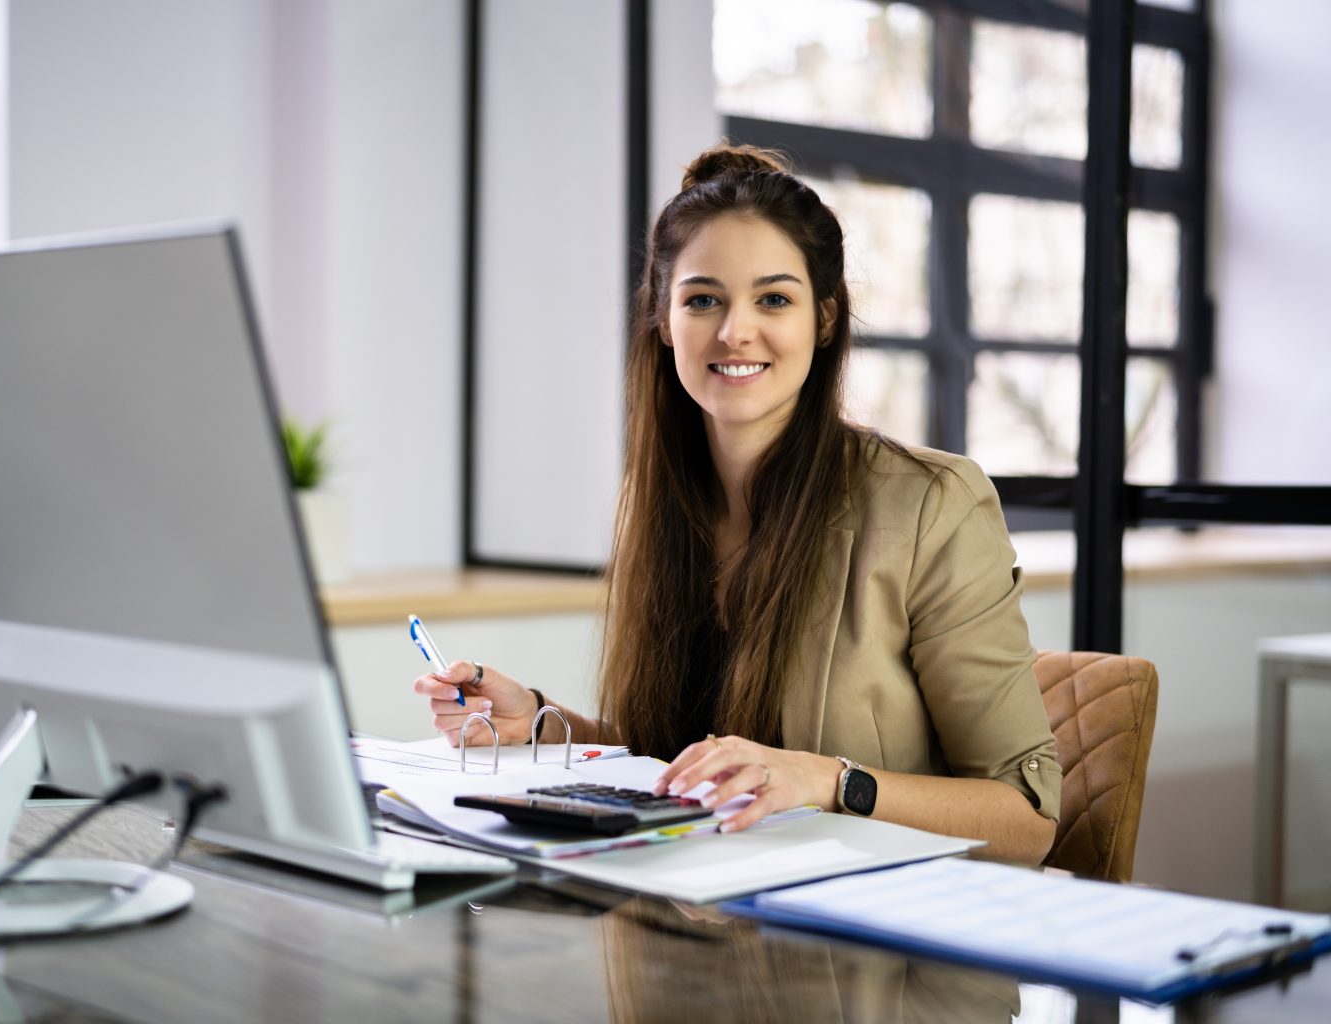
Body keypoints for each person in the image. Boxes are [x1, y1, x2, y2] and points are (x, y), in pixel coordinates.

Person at [413, 143, 1061, 864]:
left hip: (872, 951)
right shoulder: (657, 503)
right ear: (663, 319)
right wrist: (541, 721)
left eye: (773, 299)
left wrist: (825, 780)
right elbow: (673, 763)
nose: (734, 331)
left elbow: (1027, 821)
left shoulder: (931, 504)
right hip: (691, 923)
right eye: (703, 300)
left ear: (823, 319)